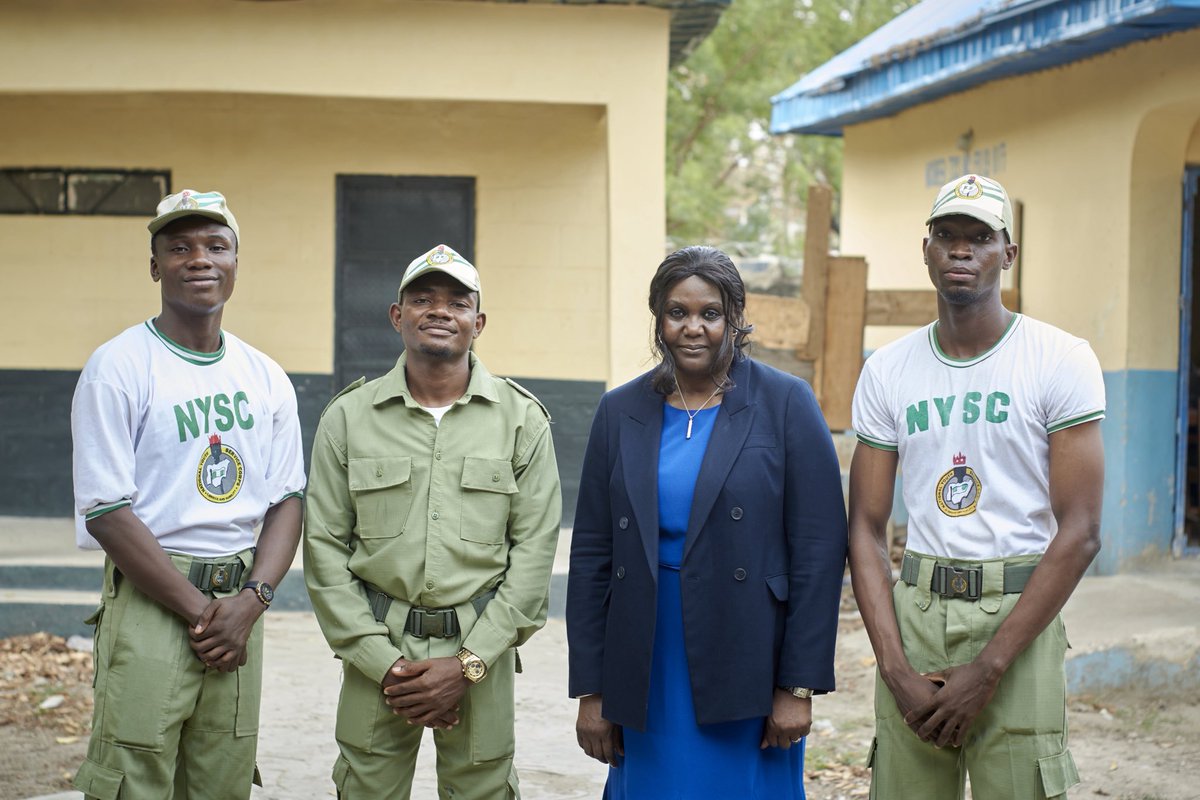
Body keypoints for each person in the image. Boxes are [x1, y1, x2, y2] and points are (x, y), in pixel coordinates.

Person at [848, 174, 1105, 799]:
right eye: (947, 236)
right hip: (919, 613)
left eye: (980, 237)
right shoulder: (888, 370)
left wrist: (990, 668)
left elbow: (1081, 532)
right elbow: (865, 527)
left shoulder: (1059, 358)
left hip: (1019, 615)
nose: (962, 250)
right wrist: (895, 667)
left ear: (1007, 254)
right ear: (927, 248)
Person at [566, 245, 848, 798]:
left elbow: (818, 550)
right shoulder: (619, 412)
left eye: (710, 314)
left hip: (747, 653)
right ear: (658, 319)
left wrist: (798, 685)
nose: (693, 328)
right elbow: (592, 555)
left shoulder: (785, 402)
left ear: (735, 319)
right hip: (646, 654)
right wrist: (593, 690)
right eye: (677, 313)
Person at [70, 189, 306, 799]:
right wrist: (203, 614)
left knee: (222, 779)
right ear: (155, 267)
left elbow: (287, 500)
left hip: (239, 596)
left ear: (234, 264)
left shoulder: (265, 376)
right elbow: (107, 511)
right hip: (155, 596)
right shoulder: (118, 366)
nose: (199, 258)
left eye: (215, 246)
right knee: (135, 779)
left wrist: (251, 601)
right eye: (179, 247)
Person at [303, 243, 562, 799]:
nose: (440, 311)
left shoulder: (522, 421)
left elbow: (534, 558)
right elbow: (324, 553)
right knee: (365, 790)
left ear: (478, 322)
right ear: (399, 317)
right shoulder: (348, 418)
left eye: (457, 302)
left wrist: (467, 664)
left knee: (483, 790)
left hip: (480, 649)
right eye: (422, 299)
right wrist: (384, 664)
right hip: (379, 649)